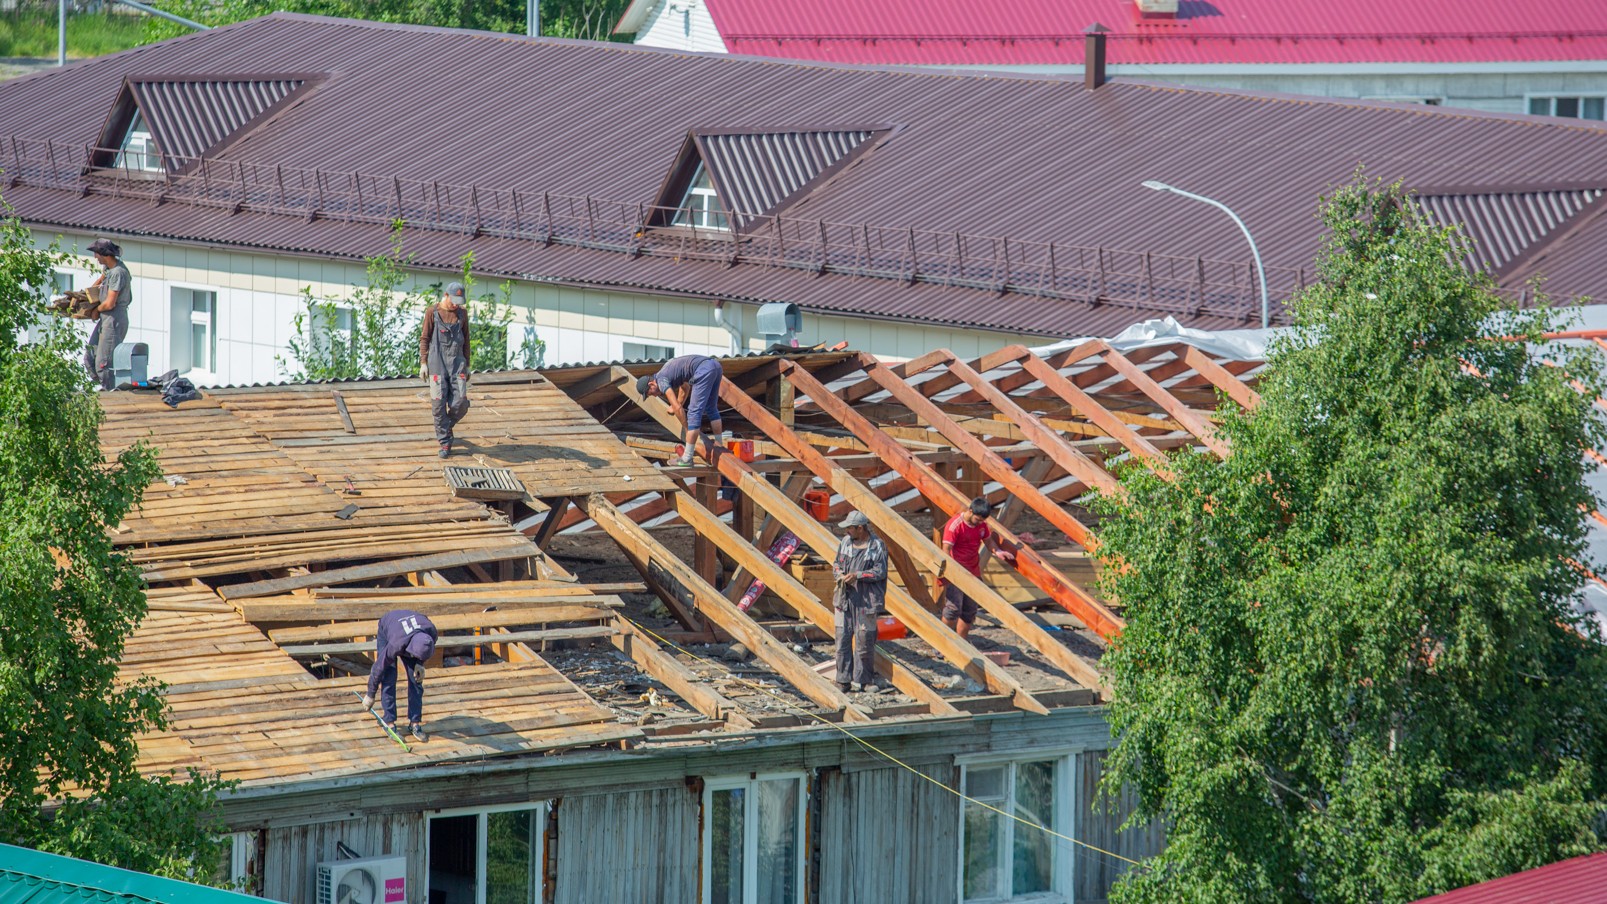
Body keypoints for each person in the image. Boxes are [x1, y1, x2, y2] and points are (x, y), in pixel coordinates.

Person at [939, 496, 1017, 639]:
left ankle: (962, 642)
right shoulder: (955, 525)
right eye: (978, 519)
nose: (980, 522)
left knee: (969, 610)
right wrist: (950, 572)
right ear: (970, 511)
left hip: (973, 571)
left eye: (982, 520)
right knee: (953, 609)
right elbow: (946, 549)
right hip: (956, 571)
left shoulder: (981, 526)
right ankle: (943, 643)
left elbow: (988, 541)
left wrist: (998, 551)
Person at [361, 609, 438, 742]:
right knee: (388, 676)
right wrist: (370, 694)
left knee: (416, 679)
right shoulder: (396, 644)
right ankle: (389, 722)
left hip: (409, 635)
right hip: (389, 628)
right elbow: (378, 667)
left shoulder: (431, 632)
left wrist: (419, 663)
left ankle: (415, 723)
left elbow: (424, 651)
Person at [832, 511, 888, 693]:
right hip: (844, 599)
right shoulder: (845, 542)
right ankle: (843, 680)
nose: (847, 531)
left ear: (860, 528)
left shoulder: (877, 546)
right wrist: (840, 575)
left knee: (865, 641)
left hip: (866, 601)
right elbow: (836, 564)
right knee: (842, 640)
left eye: (850, 528)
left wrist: (858, 575)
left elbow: (880, 571)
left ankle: (865, 681)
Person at [636, 354, 723, 467]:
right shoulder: (667, 371)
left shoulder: (661, 381)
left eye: (651, 393)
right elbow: (685, 387)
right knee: (711, 408)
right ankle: (719, 445)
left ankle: (687, 458)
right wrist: (678, 403)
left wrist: (687, 428)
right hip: (715, 365)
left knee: (693, 414)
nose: (655, 395)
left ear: (651, 384)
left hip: (703, 369)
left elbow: (677, 408)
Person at [420, 282, 472, 458]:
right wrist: (423, 363)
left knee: (461, 402)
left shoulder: (462, 314)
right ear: (446, 295)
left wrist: (468, 365)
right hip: (437, 364)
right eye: (454, 301)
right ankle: (445, 442)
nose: (456, 305)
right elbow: (424, 338)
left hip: (458, 364)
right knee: (438, 404)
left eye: (459, 301)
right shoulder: (432, 312)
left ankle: (446, 425)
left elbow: (466, 340)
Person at [79, 238, 131, 391]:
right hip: (105, 318)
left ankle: (110, 393)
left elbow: (109, 303)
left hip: (114, 319)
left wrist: (96, 310)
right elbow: (97, 285)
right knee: (90, 357)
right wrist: (85, 296)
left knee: (104, 363)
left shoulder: (118, 273)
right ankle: (104, 386)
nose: (95, 257)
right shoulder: (109, 270)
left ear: (105, 255)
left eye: (97, 253)